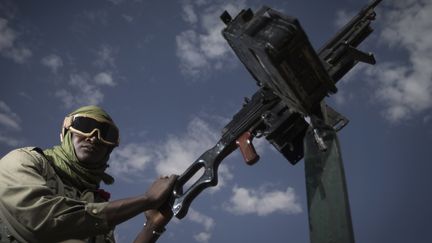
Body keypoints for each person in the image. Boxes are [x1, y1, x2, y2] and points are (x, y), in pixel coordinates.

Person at [0, 105, 177, 243]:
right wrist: (146, 200)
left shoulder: (96, 201)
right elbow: (41, 221)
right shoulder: (24, 161)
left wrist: (152, 226)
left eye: (106, 134)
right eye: (85, 126)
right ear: (66, 133)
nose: (94, 137)